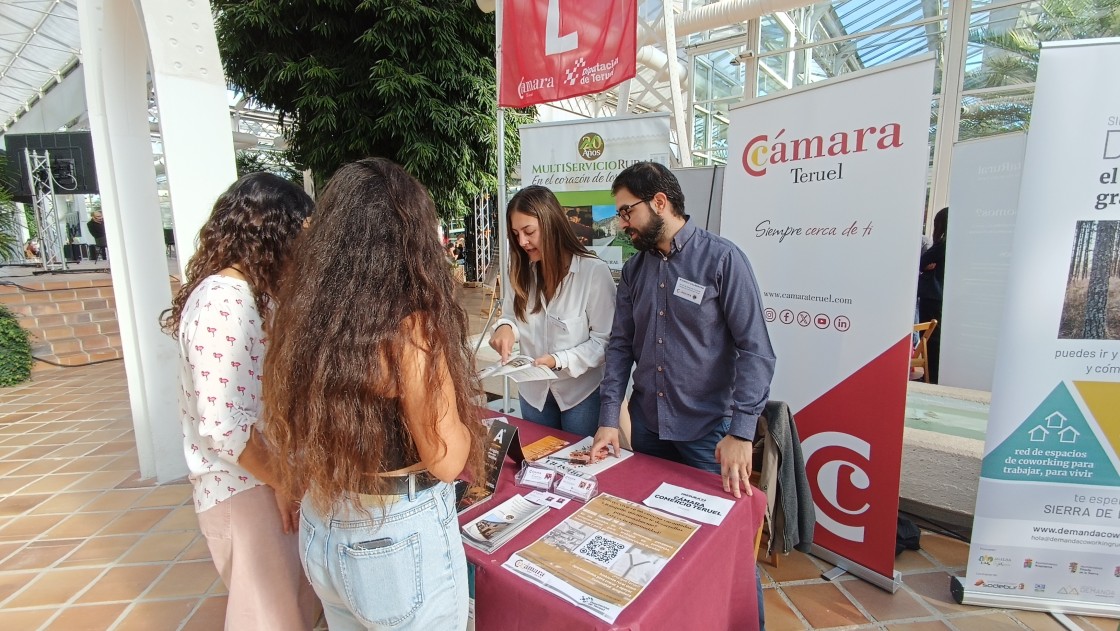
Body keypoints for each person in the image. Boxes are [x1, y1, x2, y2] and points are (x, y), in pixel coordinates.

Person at [261, 157, 487, 630]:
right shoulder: (411, 328)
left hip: (325, 522)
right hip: (395, 539)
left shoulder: (302, 318)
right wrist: (464, 419)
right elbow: (446, 459)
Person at [590, 161, 775, 630]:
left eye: (626, 212)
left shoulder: (722, 260)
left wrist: (741, 431)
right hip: (650, 431)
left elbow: (757, 350)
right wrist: (610, 418)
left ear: (660, 203)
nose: (622, 224)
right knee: (654, 540)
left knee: (725, 551)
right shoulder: (634, 271)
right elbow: (619, 348)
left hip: (708, 437)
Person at [162, 172, 320, 631]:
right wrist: (284, 481)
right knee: (269, 618)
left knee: (289, 606)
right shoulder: (223, 301)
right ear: (273, 235)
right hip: (244, 486)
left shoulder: (246, 297)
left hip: (258, 480)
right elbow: (226, 426)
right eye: (300, 239)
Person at [489, 185, 616, 437]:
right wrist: (504, 328)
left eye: (529, 232)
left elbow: (605, 341)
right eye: (516, 234)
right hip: (533, 392)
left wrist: (559, 360)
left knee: (579, 466)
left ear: (551, 225)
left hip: (580, 394)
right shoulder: (521, 271)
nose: (522, 242)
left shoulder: (593, 273)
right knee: (538, 463)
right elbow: (510, 317)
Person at [918, 207, 948, 383]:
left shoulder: (942, 246)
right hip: (940, 297)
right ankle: (931, 375)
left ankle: (931, 377)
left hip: (932, 297)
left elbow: (922, 262)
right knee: (933, 337)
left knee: (931, 338)